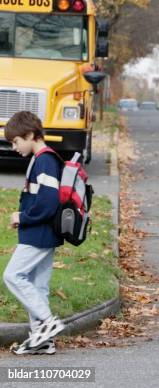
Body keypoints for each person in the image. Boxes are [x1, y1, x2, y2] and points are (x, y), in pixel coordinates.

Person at [3, 111, 66, 355]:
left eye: (16, 141)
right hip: (41, 232)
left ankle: (48, 322)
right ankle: (43, 340)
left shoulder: (45, 160)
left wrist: (23, 217)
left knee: (13, 276)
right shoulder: (42, 159)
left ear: (30, 135)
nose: (14, 146)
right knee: (38, 286)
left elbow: (48, 202)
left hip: (39, 233)